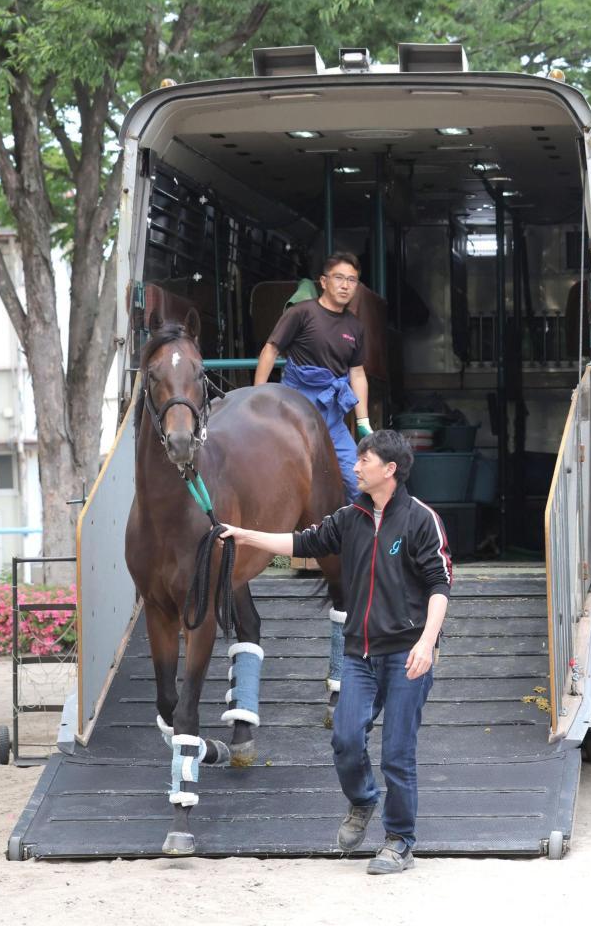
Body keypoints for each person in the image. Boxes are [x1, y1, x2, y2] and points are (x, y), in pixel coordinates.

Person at [220, 430, 452, 874]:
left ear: (390, 470)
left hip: (407, 653)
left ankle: (400, 841)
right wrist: (244, 535)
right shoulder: (350, 517)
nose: (356, 464)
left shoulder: (422, 520)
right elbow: (300, 544)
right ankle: (363, 801)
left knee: (398, 752)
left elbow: (440, 585)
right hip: (359, 656)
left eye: (365, 459)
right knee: (346, 741)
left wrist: (427, 641)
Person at [254, 251, 372, 503]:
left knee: (360, 481)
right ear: (323, 281)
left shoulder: (355, 327)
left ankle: (363, 539)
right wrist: (258, 395)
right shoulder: (302, 313)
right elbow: (270, 350)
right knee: (281, 477)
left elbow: (357, 373)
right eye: (339, 278)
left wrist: (363, 421)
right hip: (295, 407)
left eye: (352, 280)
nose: (345, 285)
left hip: (332, 416)